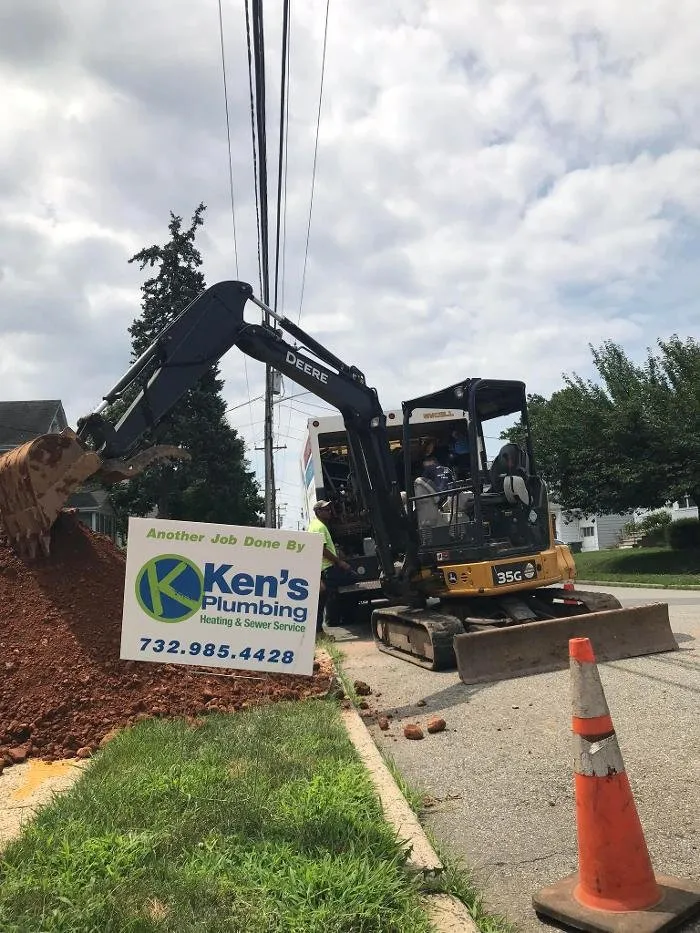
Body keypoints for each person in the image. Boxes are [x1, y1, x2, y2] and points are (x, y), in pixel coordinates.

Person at [307, 500, 357, 632]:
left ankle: (319, 630)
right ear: (318, 512)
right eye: (326, 510)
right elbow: (322, 549)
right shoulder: (319, 527)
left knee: (323, 598)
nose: (329, 512)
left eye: (329, 509)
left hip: (324, 569)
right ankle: (321, 628)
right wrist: (339, 562)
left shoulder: (317, 525)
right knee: (353, 577)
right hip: (327, 568)